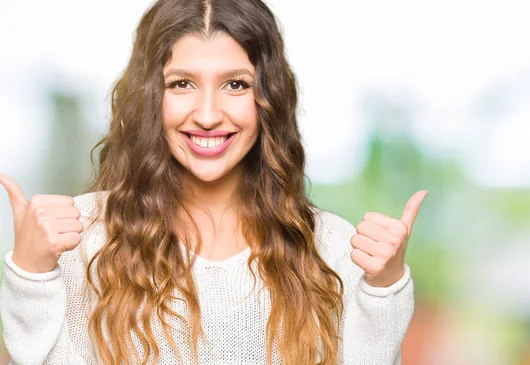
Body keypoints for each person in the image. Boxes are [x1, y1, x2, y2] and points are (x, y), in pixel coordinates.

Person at [0, 0, 427, 364]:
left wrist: (383, 290)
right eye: (181, 84)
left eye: (235, 85)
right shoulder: (83, 235)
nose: (207, 114)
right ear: (150, 96)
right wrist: (32, 275)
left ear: (269, 100)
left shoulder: (331, 246)